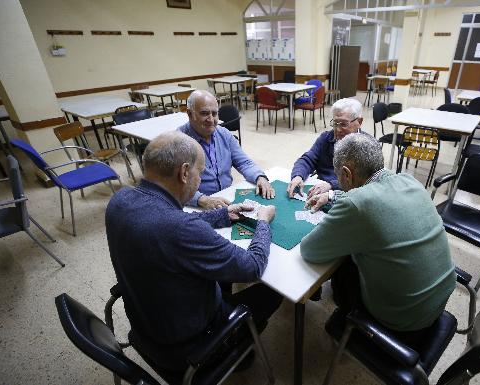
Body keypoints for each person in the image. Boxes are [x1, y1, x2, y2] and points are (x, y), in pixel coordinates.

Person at [106, 131, 282, 376]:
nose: (200, 180)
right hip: (189, 349)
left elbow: (164, 222)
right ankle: (237, 348)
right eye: (201, 172)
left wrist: (222, 213)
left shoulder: (120, 200)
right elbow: (252, 266)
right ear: (184, 172)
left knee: (221, 276)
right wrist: (263, 221)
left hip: (146, 329)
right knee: (273, 292)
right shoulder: (183, 229)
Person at [300, 133, 456, 333]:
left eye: (339, 177)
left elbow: (310, 250)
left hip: (401, 318)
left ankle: (347, 320)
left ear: (346, 174)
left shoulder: (357, 204)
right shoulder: (409, 181)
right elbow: (373, 197)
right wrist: (332, 195)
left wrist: (344, 202)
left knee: (344, 263)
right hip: (437, 300)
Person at [179, 90, 274, 209]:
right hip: (196, 205)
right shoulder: (178, 142)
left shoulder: (224, 134)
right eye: (204, 113)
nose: (211, 119)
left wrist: (260, 177)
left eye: (214, 114)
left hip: (226, 198)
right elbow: (174, 186)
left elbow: (244, 162)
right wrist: (201, 199)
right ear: (189, 114)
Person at [286, 98, 364, 199]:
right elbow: (308, 159)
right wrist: (298, 176)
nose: (338, 129)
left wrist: (332, 185)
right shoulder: (326, 138)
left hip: (347, 196)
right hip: (319, 189)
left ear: (359, 121)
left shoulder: (368, 146)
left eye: (344, 124)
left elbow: (363, 180)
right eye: (335, 123)